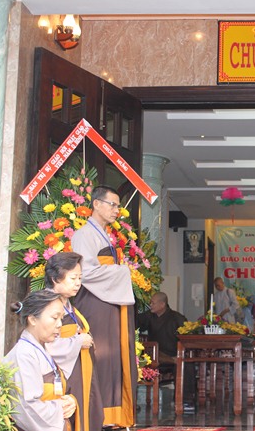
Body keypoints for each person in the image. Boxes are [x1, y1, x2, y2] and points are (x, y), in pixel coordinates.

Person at [71, 185, 137, 428]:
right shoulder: (84, 235)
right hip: (94, 302)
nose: (117, 210)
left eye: (118, 206)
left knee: (112, 359)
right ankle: (97, 415)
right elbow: (86, 272)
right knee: (100, 356)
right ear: (96, 204)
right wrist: (122, 272)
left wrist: (118, 271)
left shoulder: (103, 234)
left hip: (108, 301)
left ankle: (112, 415)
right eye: (113, 205)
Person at [4, 289, 79, 431]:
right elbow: (28, 407)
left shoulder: (40, 349)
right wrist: (60, 408)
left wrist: (70, 401)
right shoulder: (24, 354)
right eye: (55, 318)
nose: (60, 324)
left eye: (61, 318)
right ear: (32, 319)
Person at [44, 252, 104, 431]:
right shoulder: (45, 305)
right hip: (63, 376)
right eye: (73, 278)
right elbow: (45, 343)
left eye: (80, 278)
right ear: (55, 278)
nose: (78, 283)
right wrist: (77, 341)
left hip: (81, 371)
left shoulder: (68, 305)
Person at [136, 292, 196, 409]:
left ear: (162, 304)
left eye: (153, 303)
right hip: (156, 355)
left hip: (174, 355)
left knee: (186, 364)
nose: (150, 305)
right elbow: (135, 322)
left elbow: (187, 335)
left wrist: (178, 355)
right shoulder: (149, 316)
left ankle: (186, 400)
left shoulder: (177, 318)